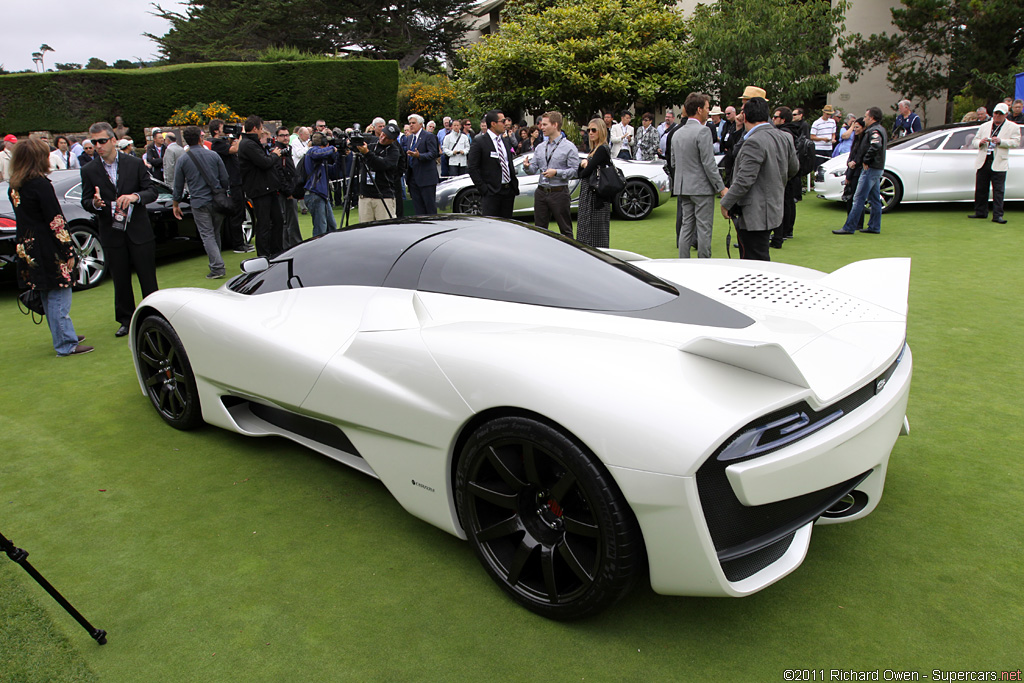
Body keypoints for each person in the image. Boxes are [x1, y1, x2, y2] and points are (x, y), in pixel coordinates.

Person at [8, 138, 92, 356]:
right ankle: (65, 342)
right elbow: (55, 220)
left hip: (27, 245)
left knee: (47, 292)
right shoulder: (40, 184)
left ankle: (64, 335)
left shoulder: (15, 185)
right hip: (47, 246)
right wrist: (68, 250)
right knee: (59, 293)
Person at [80, 120, 159, 337]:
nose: (98, 146)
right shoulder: (89, 170)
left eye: (102, 141)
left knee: (147, 277)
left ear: (113, 140)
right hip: (111, 231)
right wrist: (94, 203)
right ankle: (126, 320)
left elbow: (151, 191)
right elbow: (86, 200)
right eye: (94, 142)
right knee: (120, 279)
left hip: (138, 230)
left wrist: (134, 197)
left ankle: (155, 317)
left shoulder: (134, 163)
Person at [719, 97, 799, 261]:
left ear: (745, 116)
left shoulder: (754, 141)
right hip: (772, 207)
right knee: (758, 258)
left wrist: (726, 202)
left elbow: (744, 181)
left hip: (755, 212)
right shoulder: (785, 137)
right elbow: (793, 169)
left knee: (755, 261)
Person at [671, 93, 726, 258]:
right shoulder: (703, 131)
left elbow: (674, 162)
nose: (708, 112)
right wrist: (721, 188)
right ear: (699, 109)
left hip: (683, 186)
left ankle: (683, 261)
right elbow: (709, 163)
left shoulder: (677, 132)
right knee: (703, 228)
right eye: (708, 108)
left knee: (687, 225)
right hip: (701, 188)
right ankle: (704, 264)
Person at [172, 126, 230, 279]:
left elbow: (178, 185)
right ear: (200, 138)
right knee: (214, 232)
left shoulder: (183, 159)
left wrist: (175, 203)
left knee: (208, 235)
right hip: (217, 200)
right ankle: (217, 264)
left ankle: (217, 267)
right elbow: (225, 179)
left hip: (199, 201)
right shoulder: (214, 155)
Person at [833, 107, 888, 235]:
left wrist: (866, 160)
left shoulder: (874, 130)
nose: (864, 119)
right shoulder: (879, 129)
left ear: (872, 118)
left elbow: (876, 145)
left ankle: (849, 227)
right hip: (877, 167)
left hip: (871, 168)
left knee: (858, 198)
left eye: (866, 117)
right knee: (874, 199)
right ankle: (874, 226)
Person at [523, 111, 578, 238]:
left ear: (555, 125)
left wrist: (556, 173)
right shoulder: (540, 147)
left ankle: (569, 255)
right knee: (539, 230)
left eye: (544, 124)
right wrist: (527, 167)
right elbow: (533, 169)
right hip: (541, 192)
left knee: (565, 230)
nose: (541, 127)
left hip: (559, 193)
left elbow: (574, 171)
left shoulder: (569, 147)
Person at [238, 116, 285, 257]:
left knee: (277, 221)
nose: (262, 131)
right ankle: (264, 255)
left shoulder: (251, 143)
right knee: (264, 224)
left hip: (268, 188)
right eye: (261, 128)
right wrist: (275, 155)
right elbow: (264, 162)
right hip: (260, 190)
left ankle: (276, 251)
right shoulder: (248, 144)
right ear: (255, 128)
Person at [968, 102, 1021, 224]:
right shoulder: (985, 126)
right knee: (981, 188)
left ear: (1006, 115)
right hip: (984, 160)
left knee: (998, 190)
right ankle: (980, 212)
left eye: (1000, 114)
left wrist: (1001, 141)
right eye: (996, 113)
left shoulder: (1013, 127)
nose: (997, 116)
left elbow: (1015, 142)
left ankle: (997, 215)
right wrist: (980, 142)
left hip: (999, 161)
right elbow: (974, 141)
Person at [208, 119, 252, 253]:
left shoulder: (223, 142)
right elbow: (234, 149)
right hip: (232, 183)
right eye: (223, 128)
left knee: (240, 212)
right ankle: (238, 244)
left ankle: (240, 242)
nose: (226, 130)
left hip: (237, 181)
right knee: (236, 213)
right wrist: (239, 136)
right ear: (216, 130)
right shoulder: (217, 144)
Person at [467, 109, 519, 219]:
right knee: (492, 226)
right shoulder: (480, 141)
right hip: (491, 192)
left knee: (508, 226)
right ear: (493, 124)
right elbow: (472, 168)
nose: (506, 124)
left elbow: (507, 162)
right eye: (503, 121)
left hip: (508, 191)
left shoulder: (505, 141)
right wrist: (484, 189)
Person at [353, 122, 402, 222]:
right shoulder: (371, 142)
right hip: (365, 195)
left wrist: (367, 153)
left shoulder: (394, 151)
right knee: (365, 230)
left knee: (386, 230)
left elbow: (381, 164)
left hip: (383, 196)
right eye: (383, 134)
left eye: (387, 138)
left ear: (393, 140)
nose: (383, 138)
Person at [771, 106, 803, 247]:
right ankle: (786, 231)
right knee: (788, 202)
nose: (773, 119)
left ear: (783, 119)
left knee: (784, 203)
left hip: (786, 172)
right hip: (790, 172)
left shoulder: (784, 133)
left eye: (775, 117)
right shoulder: (792, 131)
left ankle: (782, 233)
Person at [577, 119, 612, 248]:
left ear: (601, 131)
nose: (590, 133)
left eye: (593, 130)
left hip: (596, 195)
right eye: (588, 130)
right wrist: (583, 165)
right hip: (589, 193)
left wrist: (584, 164)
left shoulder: (602, 149)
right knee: (586, 228)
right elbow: (581, 171)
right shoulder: (594, 150)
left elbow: (584, 173)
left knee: (596, 232)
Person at [300, 132, 342, 236]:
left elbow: (334, 171)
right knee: (320, 229)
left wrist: (341, 155)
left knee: (331, 226)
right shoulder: (312, 152)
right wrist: (333, 149)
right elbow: (318, 153)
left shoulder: (322, 159)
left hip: (322, 195)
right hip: (315, 194)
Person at [403, 114, 440, 215]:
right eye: (410, 123)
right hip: (413, 178)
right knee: (417, 207)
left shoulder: (429, 136)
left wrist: (419, 156)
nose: (411, 125)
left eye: (413, 123)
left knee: (429, 206)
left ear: (420, 124)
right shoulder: (410, 138)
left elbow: (433, 154)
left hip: (426, 178)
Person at [273, 127, 302, 249]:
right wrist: (288, 191)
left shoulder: (288, 149)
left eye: (287, 135)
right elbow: (279, 173)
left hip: (290, 188)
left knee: (289, 221)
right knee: (290, 221)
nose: (285, 137)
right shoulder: (279, 152)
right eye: (282, 135)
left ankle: (289, 246)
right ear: (277, 137)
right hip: (285, 192)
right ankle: (294, 246)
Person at [841, 117, 867, 233]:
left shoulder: (864, 140)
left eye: (857, 127)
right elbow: (852, 155)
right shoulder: (856, 140)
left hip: (858, 171)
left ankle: (857, 223)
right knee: (852, 198)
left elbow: (858, 156)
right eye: (854, 127)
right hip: (853, 170)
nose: (855, 129)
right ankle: (853, 221)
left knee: (856, 198)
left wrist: (853, 165)